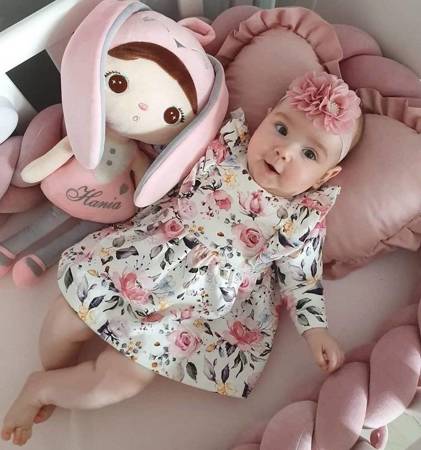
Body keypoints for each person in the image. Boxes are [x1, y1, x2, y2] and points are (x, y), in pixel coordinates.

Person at [2, 71, 362, 446]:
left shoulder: (301, 219)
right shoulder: (224, 146)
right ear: (266, 116)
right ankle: (55, 375)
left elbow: (302, 279)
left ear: (325, 176)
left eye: (309, 154)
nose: (283, 151)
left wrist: (315, 331)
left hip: (191, 311)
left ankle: (44, 389)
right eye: (281, 129)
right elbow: (169, 152)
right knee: (64, 321)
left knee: (120, 380)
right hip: (140, 259)